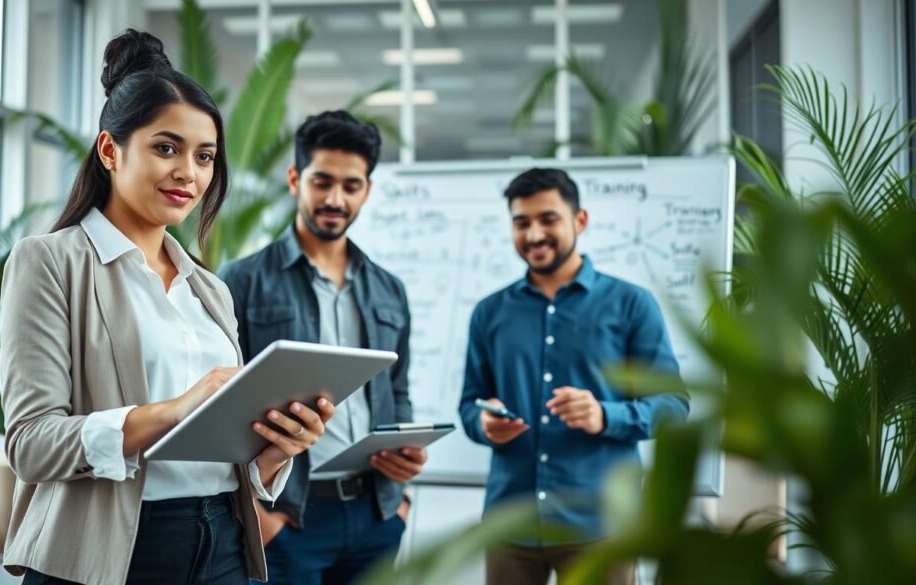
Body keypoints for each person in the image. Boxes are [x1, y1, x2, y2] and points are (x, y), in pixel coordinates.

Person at [0, 29, 332, 585]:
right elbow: (31, 444)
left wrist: (277, 449)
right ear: (110, 150)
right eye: (166, 148)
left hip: (223, 540)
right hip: (111, 548)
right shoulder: (49, 263)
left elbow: (228, 450)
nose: (190, 173)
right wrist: (173, 411)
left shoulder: (210, 289)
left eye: (204, 157)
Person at [217, 111, 425, 585]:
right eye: (322, 181)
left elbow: (397, 390)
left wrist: (403, 485)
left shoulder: (389, 290)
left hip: (377, 514)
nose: (336, 198)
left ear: (367, 190)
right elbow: (220, 405)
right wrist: (256, 513)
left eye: (352, 186)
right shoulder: (241, 281)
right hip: (288, 517)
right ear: (295, 179)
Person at [458, 168, 689, 585]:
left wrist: (606, 415)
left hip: (601, 525)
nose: (533, 234)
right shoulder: (490, 313)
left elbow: (674, 408)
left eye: (548, 219)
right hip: (510, 522)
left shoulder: (631, 305)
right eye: (521, 222)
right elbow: (470, 403)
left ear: (579, 221)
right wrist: (483, 423)